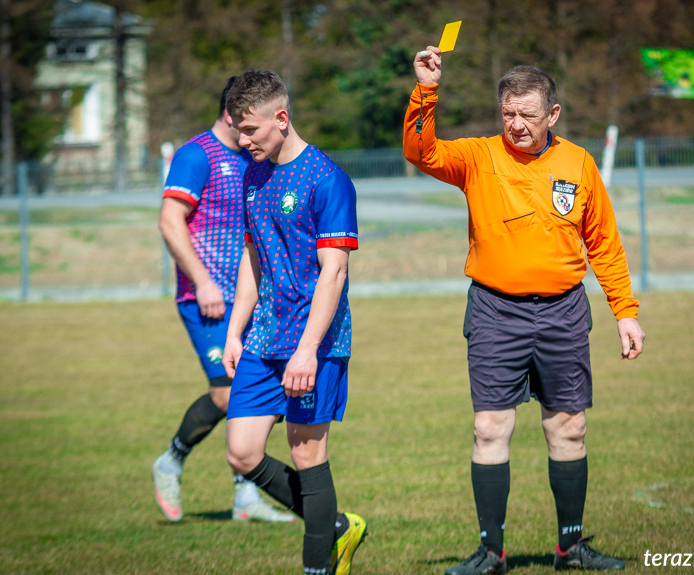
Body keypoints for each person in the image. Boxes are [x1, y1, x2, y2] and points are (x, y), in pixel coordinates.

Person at [403, 47, 646, 574]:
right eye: (508, 114)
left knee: (568, 428)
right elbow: (420, 153)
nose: (515, 125)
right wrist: (426, 90)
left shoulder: (578, 163)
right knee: (490, 428)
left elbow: (604, 242)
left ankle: (570, 548)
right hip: (495, 312)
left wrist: (624, 311)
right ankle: (491, 553)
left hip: (563, 313)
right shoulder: (476, 156)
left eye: (527, 115)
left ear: (552, 115)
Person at [221, 68, 367, 575]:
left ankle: (317, 567)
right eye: (238, 129)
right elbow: (253, 260)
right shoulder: (251, 173)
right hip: (263, 337)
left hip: (316, 343)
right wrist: (235, 330)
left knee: (307, 456)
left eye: (250, 129)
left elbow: (334, 273)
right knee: (241, 452)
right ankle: (338, 527)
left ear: (281, 119)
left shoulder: (328, 180)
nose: (243, 140)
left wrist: (307, 350)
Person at [151, 76, 295, 524]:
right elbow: (170, 222)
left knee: (255, 396)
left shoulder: (254, 159)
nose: (255, 132)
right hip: (207, 298)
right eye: (248, 121)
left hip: (252, 300)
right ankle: (171, 460)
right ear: (233, 114)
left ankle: (245, 499)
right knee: (228, 391)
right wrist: (204, 282)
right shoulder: (196, 155)